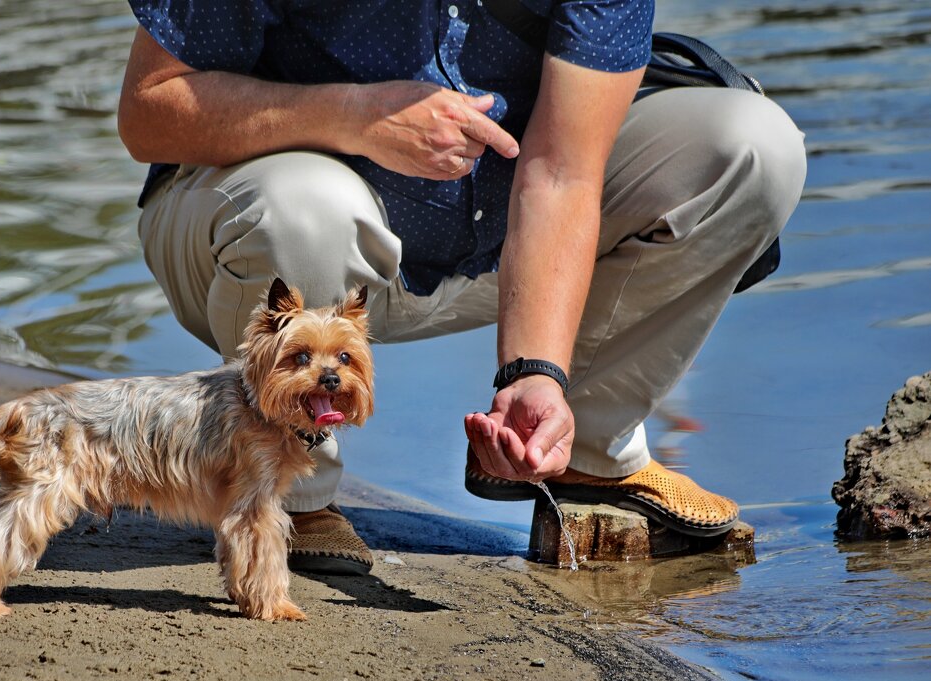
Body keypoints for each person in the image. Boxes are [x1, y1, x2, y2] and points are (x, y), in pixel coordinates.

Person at [116, 0, 807, 575]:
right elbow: (148, 111)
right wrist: (353, 117)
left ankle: (577, 448)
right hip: (269, 239)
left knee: (751, 148)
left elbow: (564, 172)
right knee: (306, 205)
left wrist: (534, 373)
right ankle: (290, 487)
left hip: (495, 249)